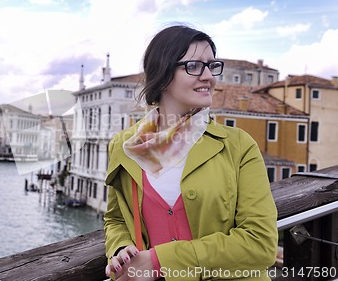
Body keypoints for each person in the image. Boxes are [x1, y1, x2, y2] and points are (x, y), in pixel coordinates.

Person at [103, 24, 278, 281]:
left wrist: (159, 262)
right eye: (194, 66)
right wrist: (120, 249)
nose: (208, 76)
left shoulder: (238, 146)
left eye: (211, 65)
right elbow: (116, 219)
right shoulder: (123, 146)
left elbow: (261, 245)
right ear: (162, 73)